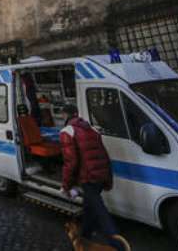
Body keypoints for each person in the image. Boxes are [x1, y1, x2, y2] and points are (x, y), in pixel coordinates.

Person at [60, 104, 125, 250]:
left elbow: (71, 162)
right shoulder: (92, 128)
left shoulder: (67, 131)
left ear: (65, 115)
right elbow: (103, 154)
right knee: (89, 208)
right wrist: (107, 178)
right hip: (100, 175)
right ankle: (84, 238)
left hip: (88, 178)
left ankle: (118, 246)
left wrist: (66, 185)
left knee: (100, 212)